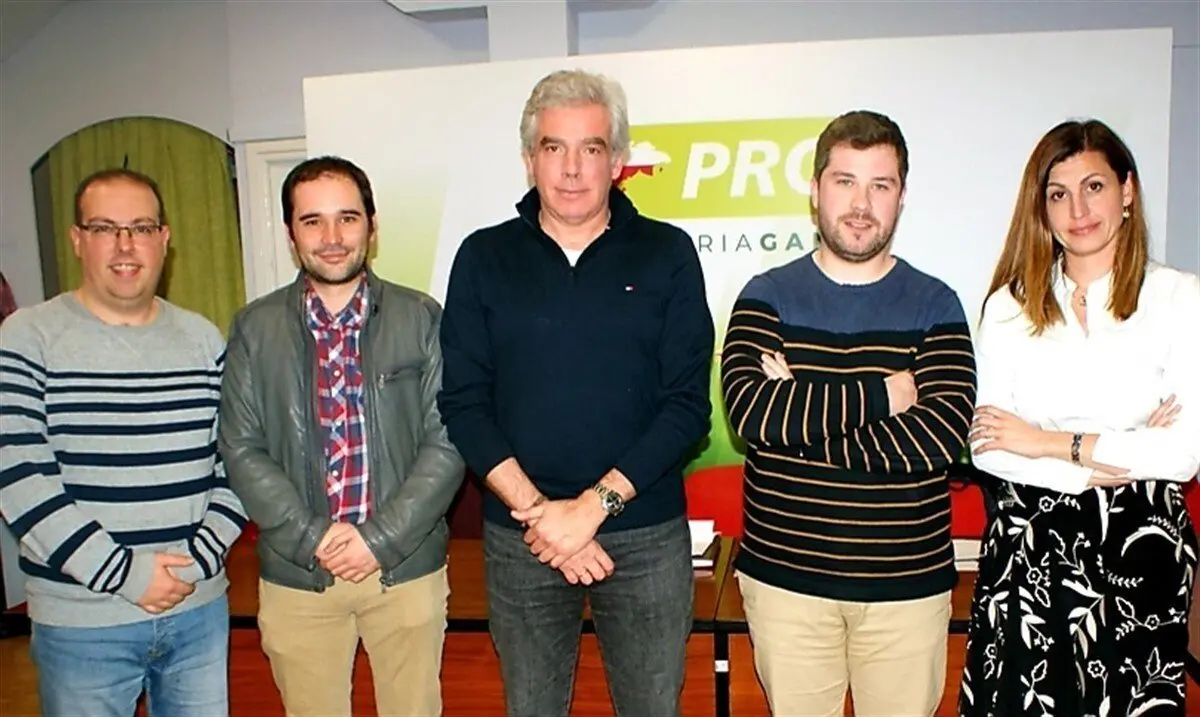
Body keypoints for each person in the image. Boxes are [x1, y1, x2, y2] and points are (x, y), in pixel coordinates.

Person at [437, 68, 715, 717]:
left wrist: (591, 507)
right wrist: (544, 514)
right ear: (529, 158)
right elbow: (464, 405)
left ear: (616, 161)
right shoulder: (482, 257)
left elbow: (686, 407)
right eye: (553, 147)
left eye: (590, 148)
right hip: (523, 537)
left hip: (645, 535)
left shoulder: (667, 253)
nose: (570, 168)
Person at [719, 110, 977, 717]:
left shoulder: (936, 304)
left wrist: (800, 418)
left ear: (901, 197)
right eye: (845, 182)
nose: (861, 204)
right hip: (786, 586)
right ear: (815, 190)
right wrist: (884, 396)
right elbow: (752, 414)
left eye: (880, 185)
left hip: (906, 593)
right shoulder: (766, 295)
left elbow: (938, 439)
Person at [959, 119, 1199, 716]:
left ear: (1127, 191)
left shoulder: (1179, 298)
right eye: (1058, 194)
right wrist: (1119, 448)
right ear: (1041, 209)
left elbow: (1181, 454)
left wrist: (1046, 441)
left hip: (1142, 553)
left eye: (1094, 186)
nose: (1078, 210)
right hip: (1032, 554)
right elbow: (989, 445)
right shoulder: (1009, 307)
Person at [218, 155, 464, 717]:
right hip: (299, 573)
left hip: (404, 569)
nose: (331, 238)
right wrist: (313, 538)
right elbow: (241, 447)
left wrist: (378, 539)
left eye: (347, 218)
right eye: (312, 221)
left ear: (372, 227)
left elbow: (447, 439)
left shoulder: (422, 317)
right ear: (290, 234)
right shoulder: (255, 328)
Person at [0, 168, 247, 716]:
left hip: (198, 611)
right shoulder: (26, 337)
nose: (125, 244)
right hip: (82, 622)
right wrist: (124, 574)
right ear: (77, 239)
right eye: (105, 228)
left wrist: (198, 561)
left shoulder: (203, 338)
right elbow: (17, 476)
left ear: (164, 238)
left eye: (141, 227)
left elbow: (237, 463)